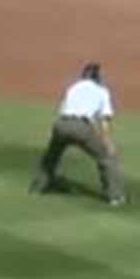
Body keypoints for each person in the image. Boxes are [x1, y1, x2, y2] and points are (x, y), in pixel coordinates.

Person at [30, 62, 126, 207]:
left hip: (61, 125)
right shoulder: (102, 91)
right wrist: (107, 141)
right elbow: (104, 119)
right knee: (106, 158)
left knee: (51, 156)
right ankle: (115, 197)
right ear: (97, 77)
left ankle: (37, 187)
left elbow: (62, 110)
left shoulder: (73, 87)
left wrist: (53, 133)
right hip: (81, 127)